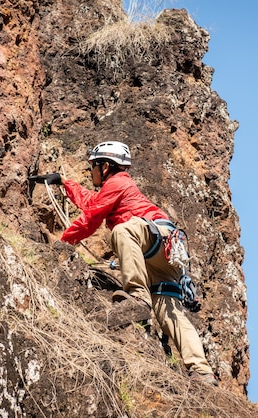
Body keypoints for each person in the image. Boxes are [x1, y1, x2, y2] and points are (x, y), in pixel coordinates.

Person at [32, 141, 218, 386]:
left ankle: (138, 296)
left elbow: (90, 219)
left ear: (106, 166)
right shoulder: (117, 187)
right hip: (164, 256)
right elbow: (93, 204)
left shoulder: (118, 182)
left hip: (155, 240)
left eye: (93, 166)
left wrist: (61, 246)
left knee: (122, 231)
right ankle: (201, 370)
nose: (91, 171)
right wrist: (65, 183)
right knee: (169, 313)